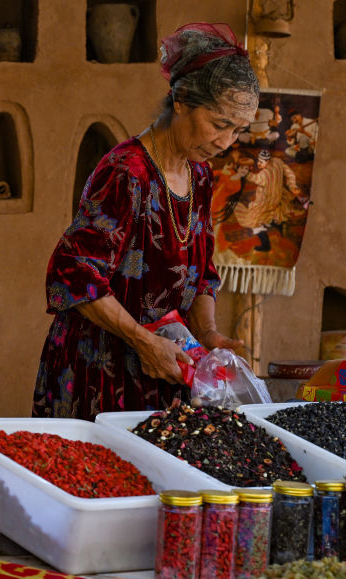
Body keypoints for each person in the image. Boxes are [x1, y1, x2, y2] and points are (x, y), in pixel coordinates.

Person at [33, 22, 259, 419]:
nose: (226, 142)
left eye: (237, 131)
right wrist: (141, 342)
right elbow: (74, 272)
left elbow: (203, 273)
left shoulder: (200, 175)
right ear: (183, 100)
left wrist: (206, 334)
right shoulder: (127, 173)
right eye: (220, 124)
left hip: (163, 367)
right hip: (100, 371)